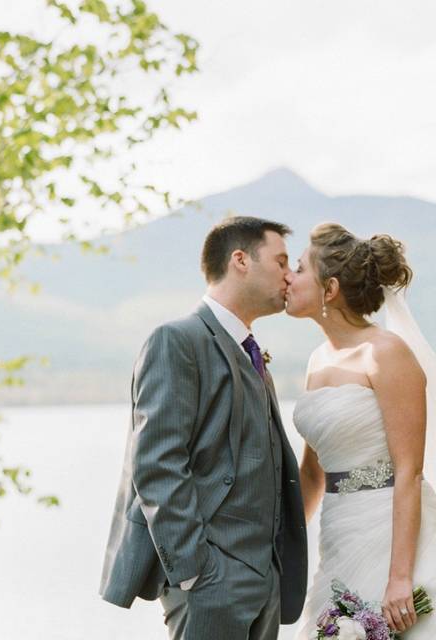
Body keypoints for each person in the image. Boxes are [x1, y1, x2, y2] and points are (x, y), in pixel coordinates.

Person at [285, 222, 436, 638]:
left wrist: (400, 576)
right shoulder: (316, 361)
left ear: (329, 289)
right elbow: (313, 473)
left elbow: (408, 471)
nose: (288, 278)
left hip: (391, 531)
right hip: (339, 535)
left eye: (298, 268)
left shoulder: (386, 354)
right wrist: (282, 547)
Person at [99, 216, 307, 640]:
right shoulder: (176, 340)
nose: (290, 276)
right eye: (282, 261)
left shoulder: (250, 350)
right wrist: (196, 573)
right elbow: (157, 464)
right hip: (211, 583)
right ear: (240, 260)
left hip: (263, 582)